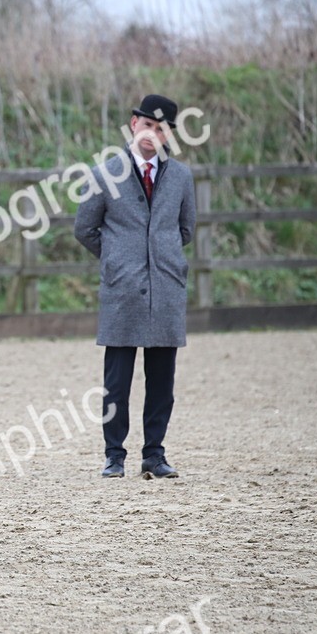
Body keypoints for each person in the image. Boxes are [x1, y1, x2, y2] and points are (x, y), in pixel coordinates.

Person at [74, 94, 197, 479]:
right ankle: (115, 455)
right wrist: (117, 259)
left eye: (161, 129)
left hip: (166, 290)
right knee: (117, 382)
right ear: (133, 124)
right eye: (147, 125)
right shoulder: (103, 174)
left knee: (163, 381)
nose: (152, 134)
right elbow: (85, 229)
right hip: (121, 291)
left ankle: (154, 455)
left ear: (168, 136)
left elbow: (186, 229)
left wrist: (163, 259)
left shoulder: (180, 176)